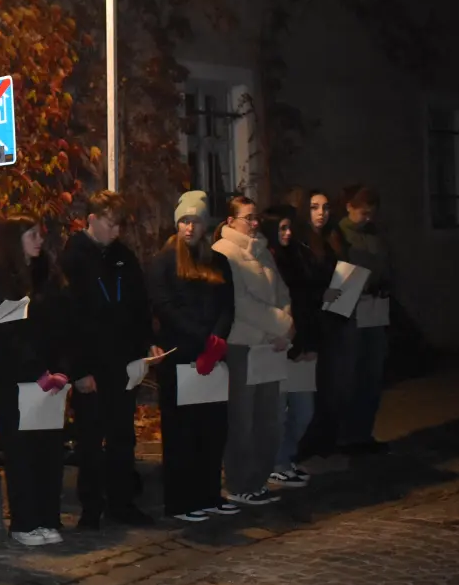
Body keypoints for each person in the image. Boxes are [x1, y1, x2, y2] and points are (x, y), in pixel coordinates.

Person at [60, 190, 158, 529]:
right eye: (110, 224)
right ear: (92, 219)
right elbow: (68, 319)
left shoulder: (123, 257)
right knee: (89, 439)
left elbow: (140, 304)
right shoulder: (73, 257)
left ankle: (122, 501)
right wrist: (79, 370)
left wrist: (145, 345)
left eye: (119, 226)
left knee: (122, 435)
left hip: (123, 363)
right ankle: (90, 506)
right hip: (92, 365)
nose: (115, 232)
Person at [0, 215, 70, 546]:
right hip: (18, 380)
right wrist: (37, 370)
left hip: (51, 378)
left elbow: (63, 323)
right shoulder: (0, 280)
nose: (38, 241)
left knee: (49, 452)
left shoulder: (49, 275)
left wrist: (62, 368)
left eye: (39, 235)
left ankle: (48, 518)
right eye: (30, 235)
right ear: (14, 241)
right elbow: (8, 334)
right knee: (23, 454)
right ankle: (25, 522)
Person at [147, 192, 235, 522]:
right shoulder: (164, 262)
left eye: (195, 221)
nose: (189, 227)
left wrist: (217, 338)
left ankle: (209, 493)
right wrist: (202, 337)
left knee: (212, 429)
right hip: (181, 358)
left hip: (213, 356)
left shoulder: (217, 261)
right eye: (184, 220)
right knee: (183, 433)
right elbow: (165, 307)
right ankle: (182, 500)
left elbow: (228, 304)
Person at [211, 195, 294, 507]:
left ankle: (258, 479)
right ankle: (239, 481)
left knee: (269, 418)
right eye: (248, 217)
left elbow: (282, 291)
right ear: (231, 221)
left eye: (256, 217)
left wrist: (285, 326)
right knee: (242, 419)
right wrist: (280, 326)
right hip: (244, 345)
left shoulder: (262, 250)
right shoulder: (224, 252)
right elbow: (239, 302)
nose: (255, 223)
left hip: (271, 345)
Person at [262, 203, 329, 497]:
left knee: (303, 410)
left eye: (290, 228)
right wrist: (293, 344)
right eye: (281, 229)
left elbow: (307, 305)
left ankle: (286, 457)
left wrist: (310, 343)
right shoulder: (268, 261)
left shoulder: (298, 255)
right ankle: (276, 461)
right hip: (281, 347)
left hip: (302, 345)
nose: (287, 234)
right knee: (278, 412)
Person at [327, 185, 392, 455]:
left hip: (376, 309)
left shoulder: (373, 234)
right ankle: (343, 435)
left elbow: (386, 265)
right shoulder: (339, 234)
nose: (368, 218)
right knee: (348, 374)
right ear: (350, 207)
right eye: (363, 212)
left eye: (372, 213)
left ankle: (363, 433)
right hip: (350, 309)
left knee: (372, 374)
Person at [294, 189, 347, 462]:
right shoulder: (299, 243)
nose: (321, 213)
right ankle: (307, 446)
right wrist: (320, 294)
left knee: (332, 386)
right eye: (315, 207)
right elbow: (298, 286)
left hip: (333, 321)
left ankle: (327, 442)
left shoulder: (332, 239)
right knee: (310, 389)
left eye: (325, 208)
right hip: (312, 324)